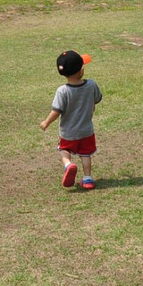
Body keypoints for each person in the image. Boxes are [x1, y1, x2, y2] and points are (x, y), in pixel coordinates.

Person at [39, 50, 102, 189]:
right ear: (81, 70)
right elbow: (95, 100)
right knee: (86, 154)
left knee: (64, 150)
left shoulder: (62, 91)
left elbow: (56, 111)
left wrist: (46, 122)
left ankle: (68, 165)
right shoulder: (91, 85)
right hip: (86, 131)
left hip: (68, 132)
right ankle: (87, 179)